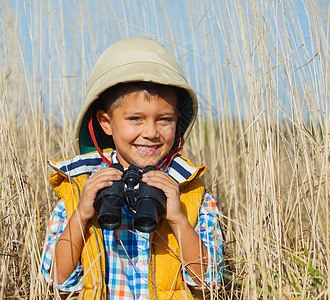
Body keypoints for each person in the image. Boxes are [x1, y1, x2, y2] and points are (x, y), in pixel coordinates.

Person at [42, 37, 224, 299]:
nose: (150, 133)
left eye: (164, 119)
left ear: (177, 121)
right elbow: (57, 280)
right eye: (135, 119)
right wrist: (82, 214)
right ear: (106, 122)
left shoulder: (191, 195)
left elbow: (209, 283)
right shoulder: (79, 190)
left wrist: (177, 219)